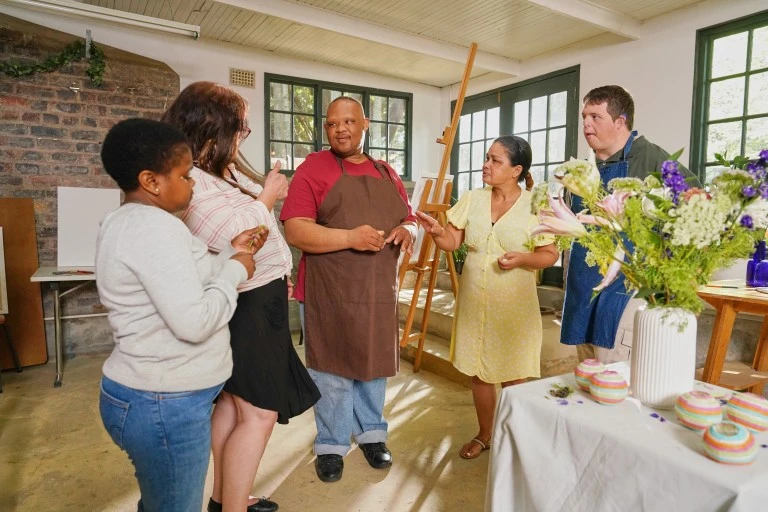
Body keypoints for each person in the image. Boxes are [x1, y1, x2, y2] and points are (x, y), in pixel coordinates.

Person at [162, 81, 320, 512]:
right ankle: (233, 508)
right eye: (242, 129)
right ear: (214, 130)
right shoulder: (188, 177)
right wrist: (269, 194)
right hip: (244, 304)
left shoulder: (215, 170)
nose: (244, 138)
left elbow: (250, 237)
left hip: (255, 294)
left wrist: (276, 269)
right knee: (260, 411)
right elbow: (232, 236)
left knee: (234, 405)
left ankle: (224, 499)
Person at [96, 118, 267, 512]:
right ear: (152, 181)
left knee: (163, 500)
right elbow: (194, 321)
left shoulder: (126, 221)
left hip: (144, 394)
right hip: (164, 403)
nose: (192, 184)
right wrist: (236, 271)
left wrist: (228, 253)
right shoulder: (157, 230)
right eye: (185, 175)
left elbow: (180, 280)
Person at [280, 96, 416, 483]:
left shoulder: (386, 172)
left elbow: (407, 217)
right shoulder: (313, 169)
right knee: (332, 369)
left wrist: (409, 229)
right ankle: (332, 442)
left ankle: (372, 433)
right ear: (326, 128)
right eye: (333, 123)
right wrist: (350, 238)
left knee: (373, 365)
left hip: (376, 288)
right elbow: (296, 230)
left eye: (349, 121)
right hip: (329, 289)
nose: (341, 129)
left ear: (365, 124)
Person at [416, 136, 559, 459]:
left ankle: (519, 438)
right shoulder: (473, 198)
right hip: (474, 301)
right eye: (487, 158)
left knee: (513, 375)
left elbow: (549, 254)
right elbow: (453, 241)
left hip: (514, 307)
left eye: (496, 161)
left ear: (516, 170)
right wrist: (438, 233)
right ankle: (486, 434)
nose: (486, 165)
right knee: (478, 373)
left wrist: (522, 259)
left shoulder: (535, 206)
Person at [561, 85, 701, 364]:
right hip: (583, 287)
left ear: (620, 121)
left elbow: (696, 205)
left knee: (615, 377)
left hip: (627, 292)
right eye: (584, 116)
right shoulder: (583, 168)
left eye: (595, 117)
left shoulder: (651, 158)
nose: (586, 124)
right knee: (587, 378)